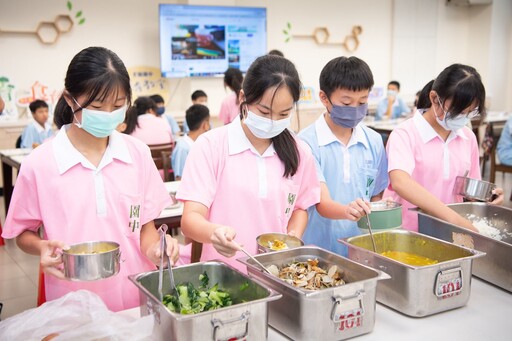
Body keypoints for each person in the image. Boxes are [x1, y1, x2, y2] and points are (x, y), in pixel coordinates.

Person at [1, 46, 179, 312]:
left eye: (118, 106)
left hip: (134, 294)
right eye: (97, 106)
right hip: (71, 298)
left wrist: (156, 250)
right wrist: (41, 247)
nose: (108, 115)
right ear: (70, 100)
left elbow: (145, 229)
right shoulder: (40, 163)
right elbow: (23, 234)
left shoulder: (137, 153)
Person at [177, 55, 321, 272]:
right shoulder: (211, 146)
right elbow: (190, 219)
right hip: (224, 273)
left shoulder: (299, 151)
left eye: (283, 114)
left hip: (277, 272)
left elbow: (300, 207)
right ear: (243, 97)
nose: (273, 121)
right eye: (264, 112)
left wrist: (292, 236)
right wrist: (213, 233)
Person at [385, 64, 504, 232]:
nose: (463, 118)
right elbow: (401, 182)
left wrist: (487, 198)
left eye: (470, 112)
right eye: (458, 112)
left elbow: (470, 190)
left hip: (450, 232)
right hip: (410, 231)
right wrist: (453, 218)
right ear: (434, 98)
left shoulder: (467, 137)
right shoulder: (405, 134)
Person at [299, 56, 387, 255]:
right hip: (318, 248)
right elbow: (322, 203)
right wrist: (347, 211)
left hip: (361, 246)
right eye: (346, 104)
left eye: (362, 102)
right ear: (324, 98)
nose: (355, 110)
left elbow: (376, 192)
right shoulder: (307, 143)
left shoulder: (373, 141)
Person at [171, 104, 210, 180]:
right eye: (209, 122)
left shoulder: (203, 143)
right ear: (205, 125)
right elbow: (180, 178)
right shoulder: (182, 148)